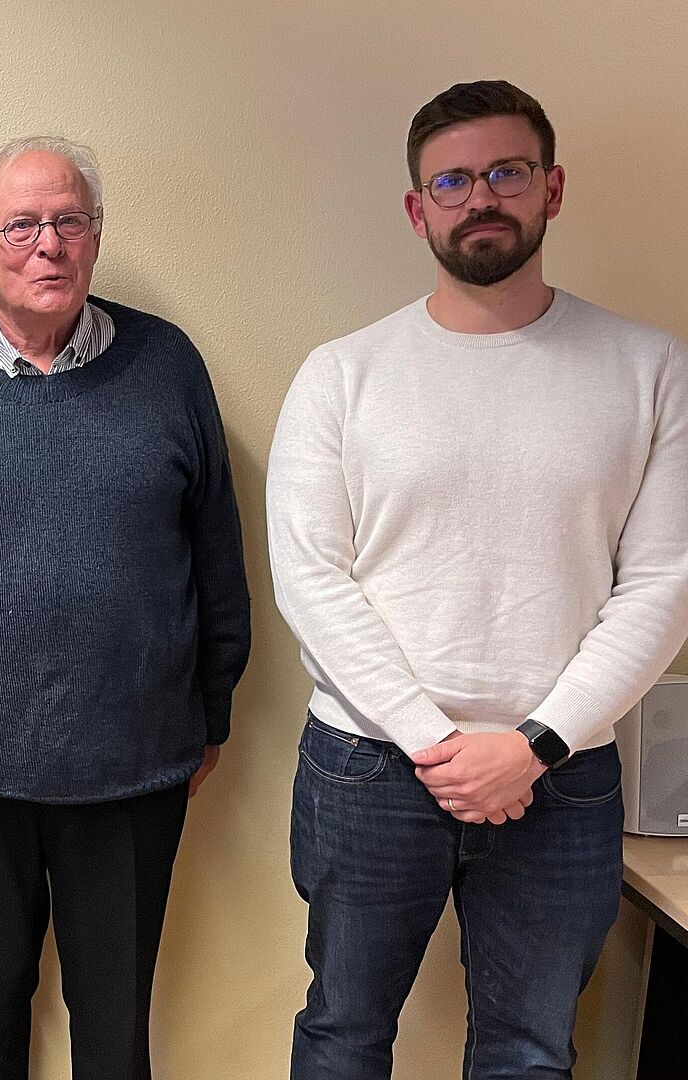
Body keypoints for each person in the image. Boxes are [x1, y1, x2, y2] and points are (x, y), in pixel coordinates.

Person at [270, 80, 688, 1079]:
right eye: (452, 181)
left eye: (506, 172)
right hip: (371, 764)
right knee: (343, 1034)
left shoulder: (651, 368)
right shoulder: (343, 373)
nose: (481, 197)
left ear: (552, 187)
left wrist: (535, 745)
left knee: (530, 1052)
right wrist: (437, 740)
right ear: (418, 210)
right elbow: (310, 577)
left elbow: (663, 584)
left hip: (564, 772)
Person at [0, 135, 251, 1080]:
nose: (49, 244)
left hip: (133, 766)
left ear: (97, 235)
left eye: (70, 221)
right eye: (22, 225)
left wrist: (211, 713)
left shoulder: (168, 366)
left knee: (114, 1029)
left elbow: (216, 551)